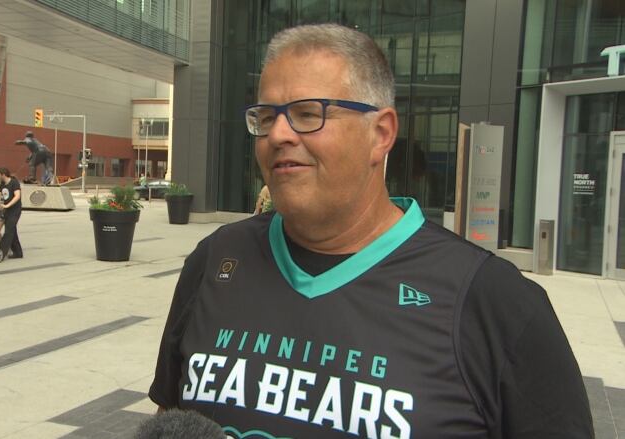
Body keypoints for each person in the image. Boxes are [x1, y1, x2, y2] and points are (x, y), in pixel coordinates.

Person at [149, 24, 593, 438]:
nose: (278, 134)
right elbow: (170, 418)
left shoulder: (495, 302)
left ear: (380, 133)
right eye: (266, 117)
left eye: (308, 113)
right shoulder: (216, 260)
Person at [0, 167, 23, 259]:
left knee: (9, 231)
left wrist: (7, 205)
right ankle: (18, 253)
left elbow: (17, 196)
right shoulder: (2, 184)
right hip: (5, 210)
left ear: (3, 174)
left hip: (15, 210)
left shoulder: (14, 182)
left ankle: (1, 252)